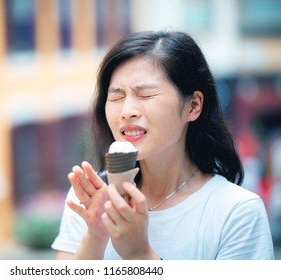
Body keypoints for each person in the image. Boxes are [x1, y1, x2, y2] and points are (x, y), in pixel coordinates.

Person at [51, 30, 274, 259]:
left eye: (146, 95)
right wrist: (95, 236)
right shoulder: (90, 199)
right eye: (116, 97)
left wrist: (140, 254)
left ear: (193, 106)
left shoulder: (237, 212)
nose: (127, 112)